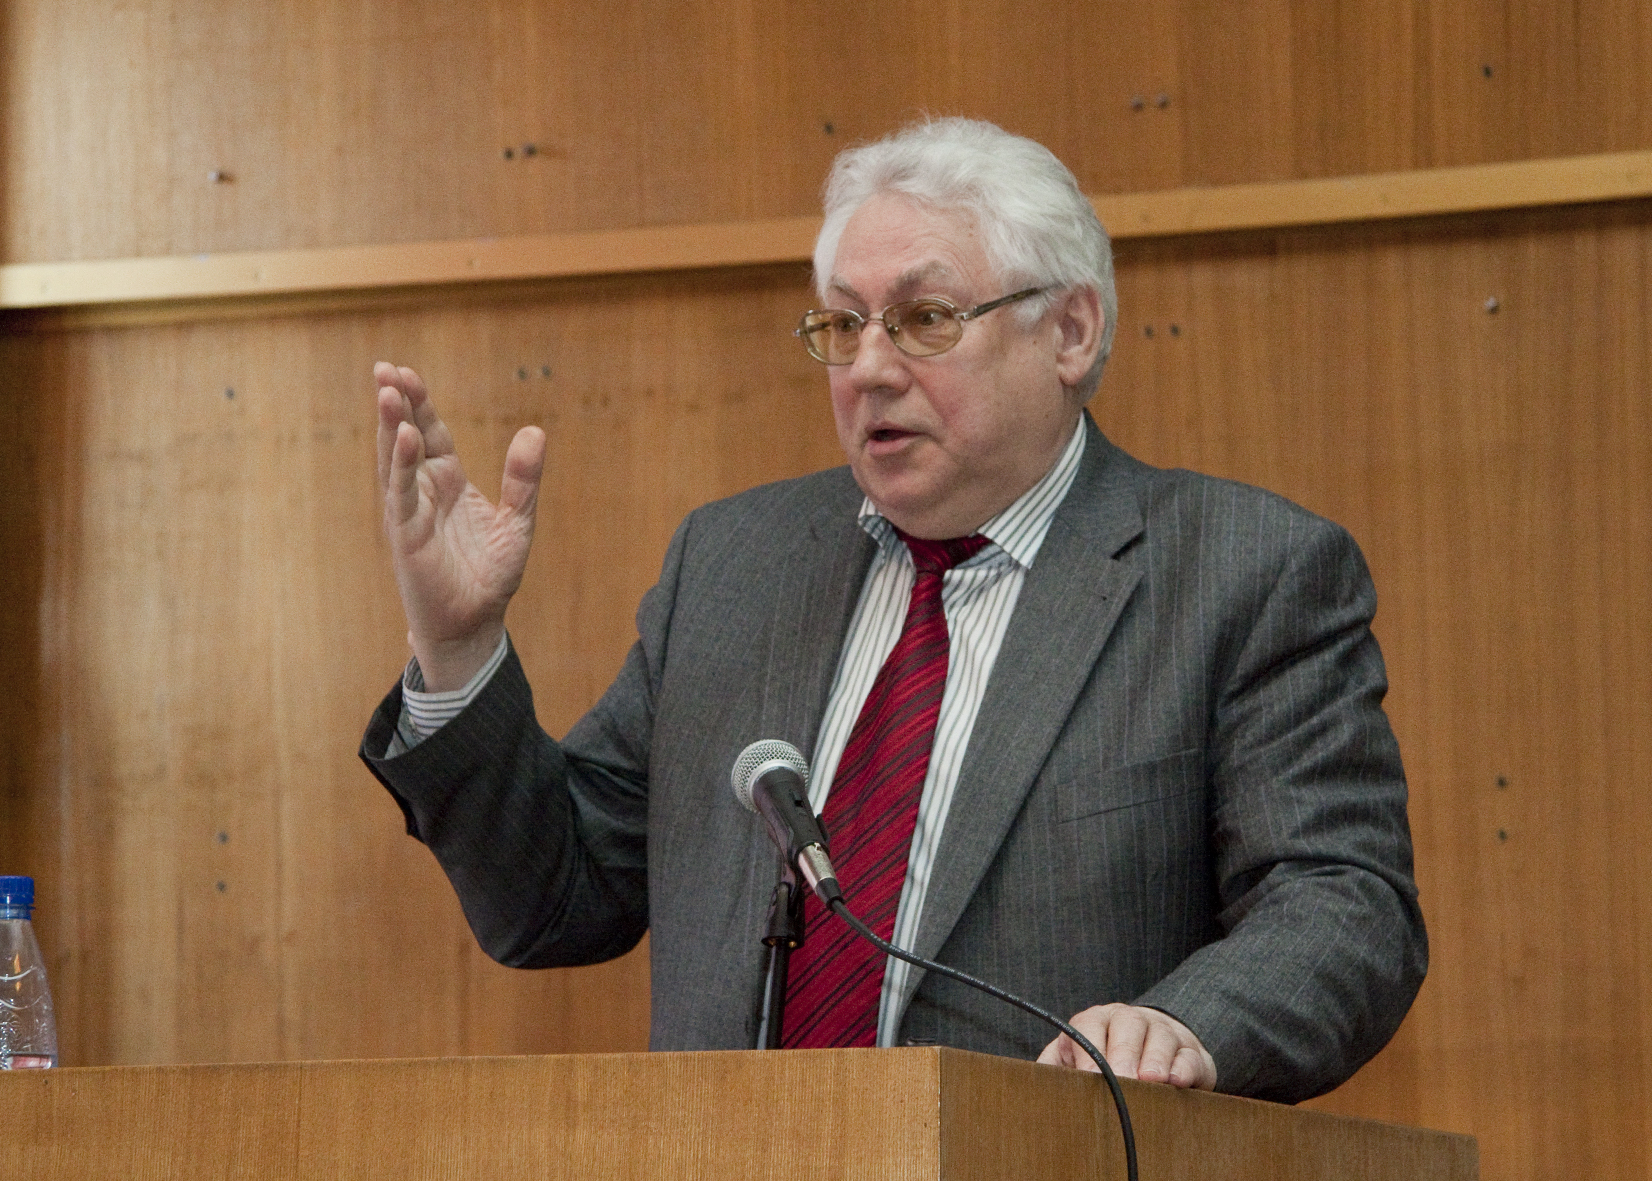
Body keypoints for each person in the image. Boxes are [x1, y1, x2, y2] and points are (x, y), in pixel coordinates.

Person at [360, 117, 1426, 1103]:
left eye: (923, 319)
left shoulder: (1240, 574)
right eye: (842, 323)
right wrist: (459, 649)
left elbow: (1342, 901)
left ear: (1069, 330)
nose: (868, 368)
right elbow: (555, 898)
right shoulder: (732, 567)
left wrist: (1180, 1024)